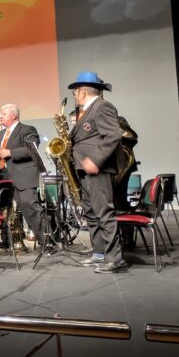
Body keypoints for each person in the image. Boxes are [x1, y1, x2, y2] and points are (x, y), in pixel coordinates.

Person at [69, 71, 126, 274]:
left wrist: (96, 159)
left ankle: (115, 259)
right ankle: (99, 253)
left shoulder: (102, 106)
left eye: (76, 93)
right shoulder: (87, 110)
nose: (75, 96)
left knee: (104, 212)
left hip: (97, 168)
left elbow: (113, 135)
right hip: (85, 169)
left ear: (83, 92)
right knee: (91, 213)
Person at [0, 104, 43, 247]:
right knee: (5, 210)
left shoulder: (27, 130)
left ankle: (47, 241)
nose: (0, 116)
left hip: (22, 175)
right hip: (4, 176)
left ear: (13, 116)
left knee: (30, 207)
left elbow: (32, 149)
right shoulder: (0, 134)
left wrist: (10, 153)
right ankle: (7, 240)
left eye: (4, 114)